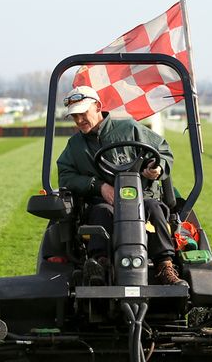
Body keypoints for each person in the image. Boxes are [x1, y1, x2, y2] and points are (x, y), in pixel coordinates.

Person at [57, 86, 186, 286]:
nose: (79, 120)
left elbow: (162, 151)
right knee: (100, 212)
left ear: (98, 106)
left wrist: (157, 167)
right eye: (74, 116)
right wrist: (98, 186)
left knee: (154, 208)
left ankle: (164, 265)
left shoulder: (129, 129)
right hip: (104, 203)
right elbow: (65, 175)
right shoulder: (75, 146)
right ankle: (99, 266)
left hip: (142, 198)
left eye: (83, 113)